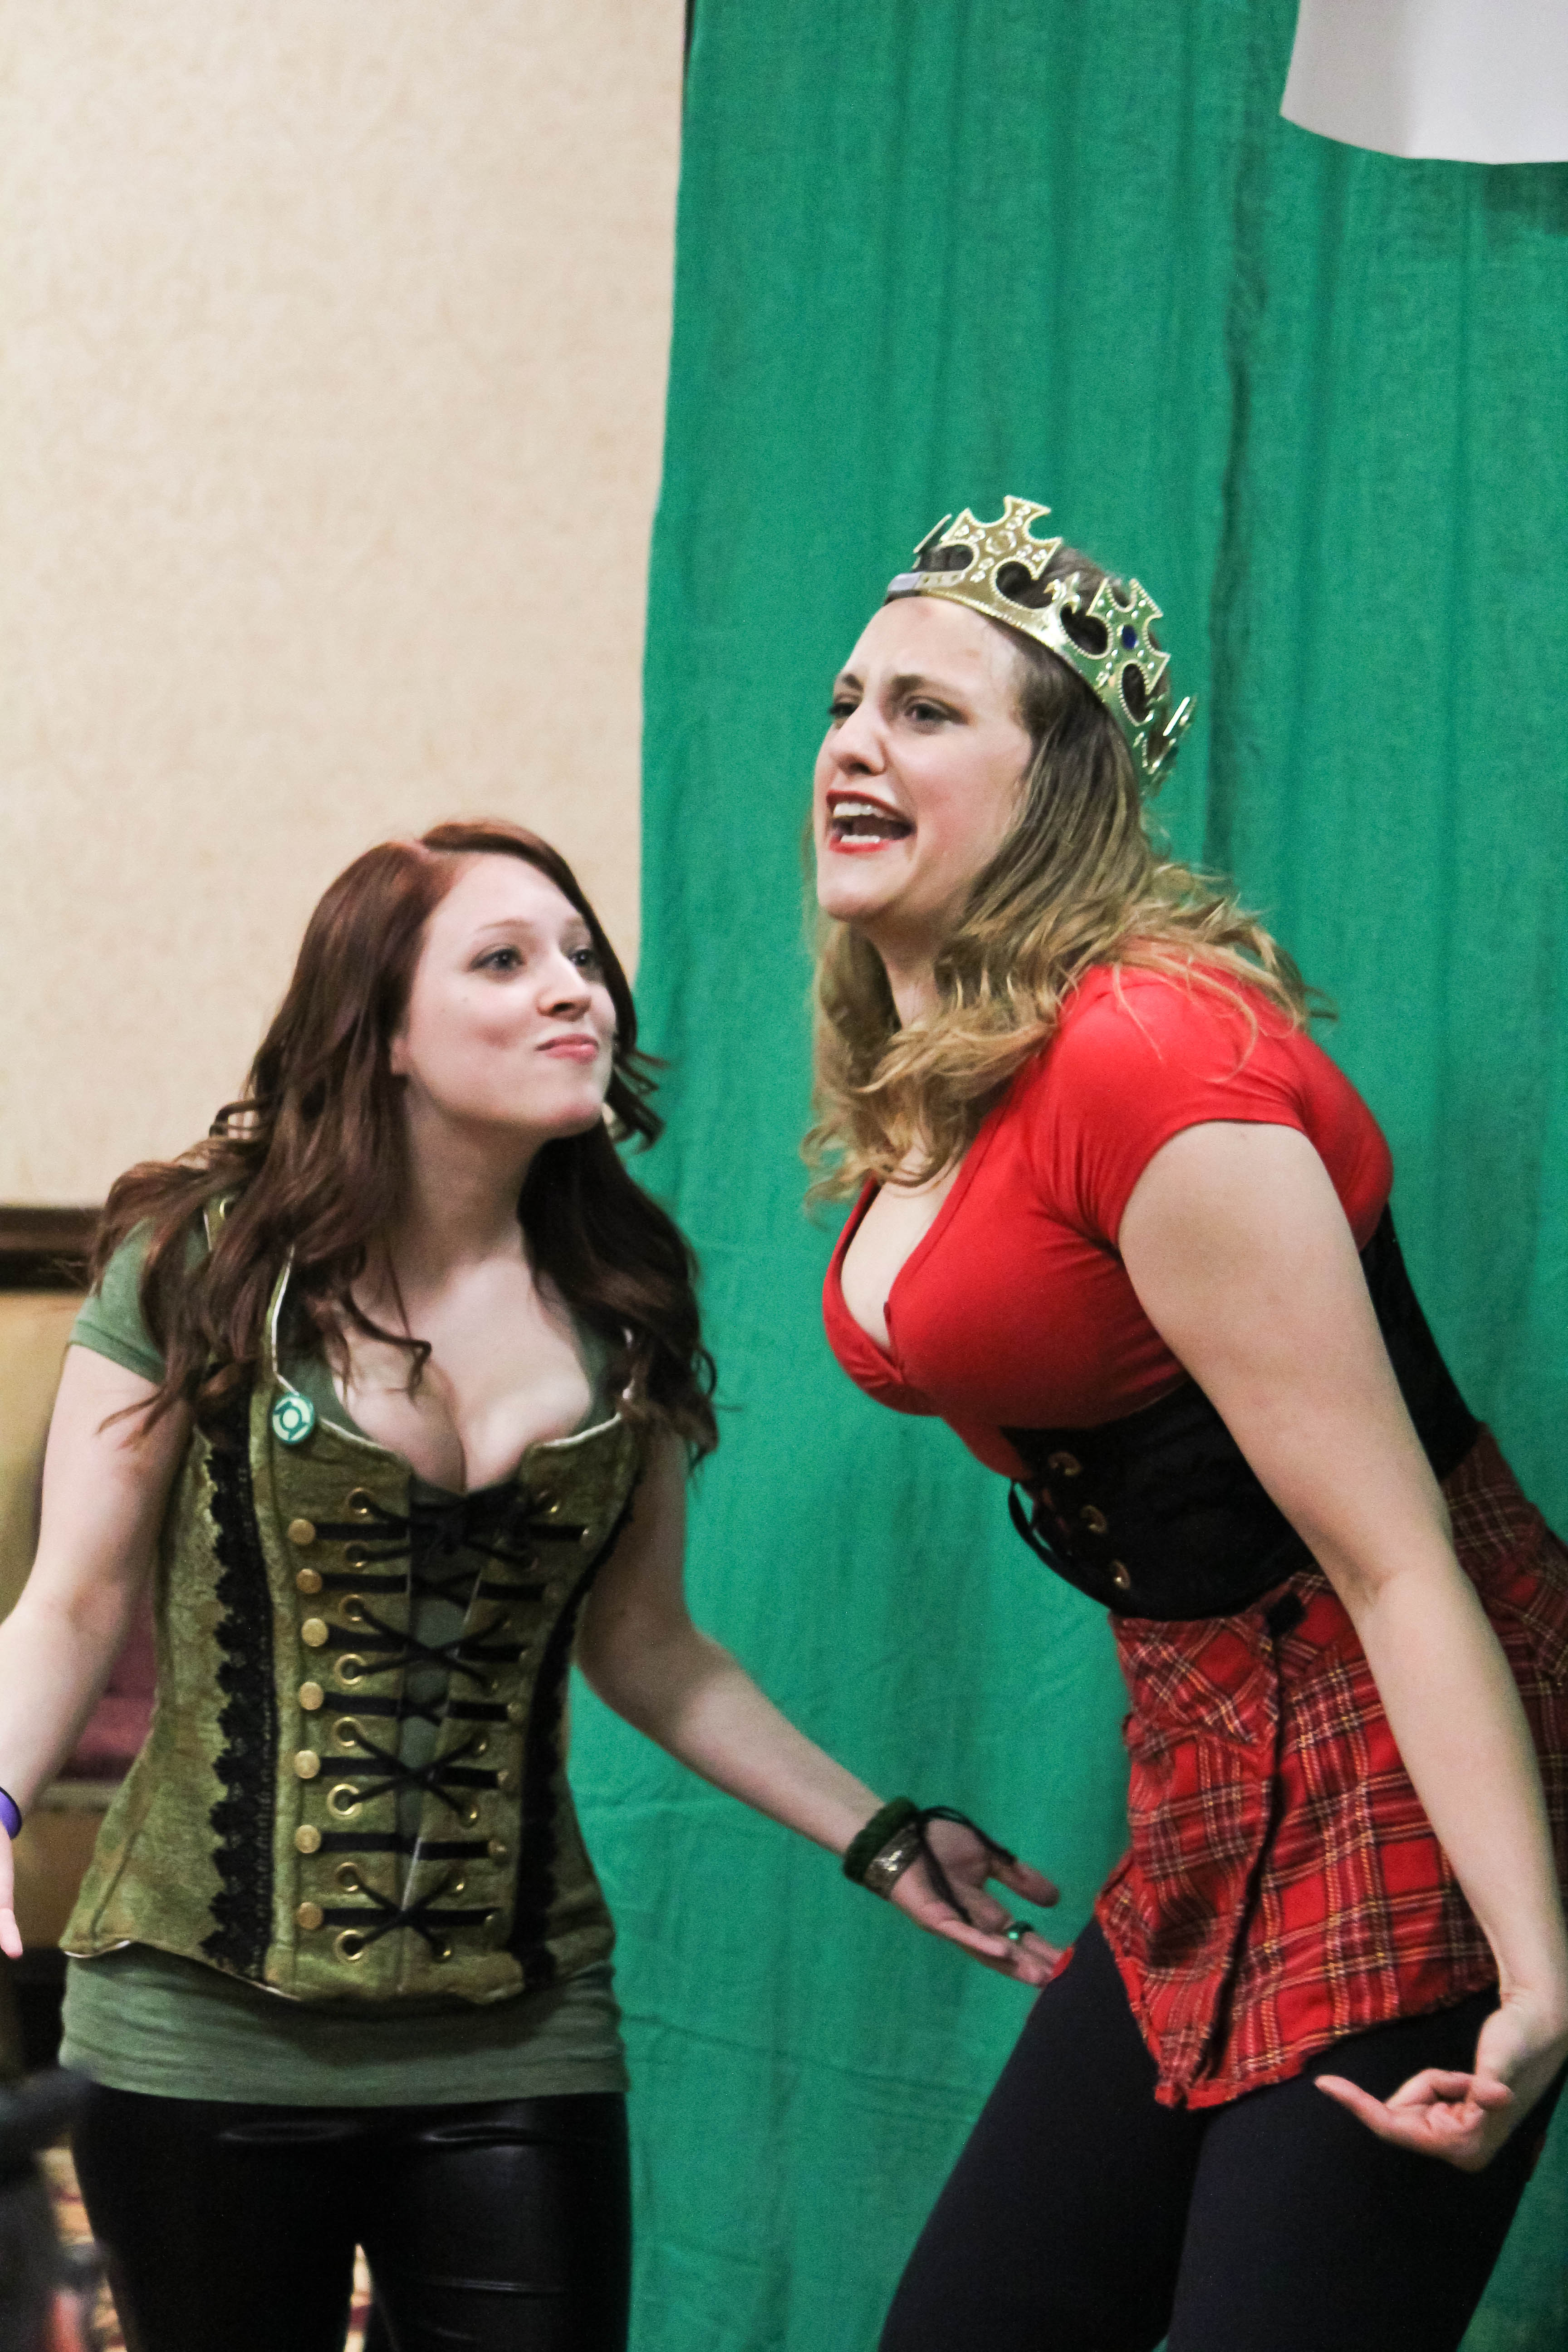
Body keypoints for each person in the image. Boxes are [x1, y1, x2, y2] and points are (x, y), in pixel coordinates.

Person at [0, 819, 1046, 2352]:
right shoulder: (201, 1261)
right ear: (384, 1031)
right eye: (504, 961)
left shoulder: (624, 1304)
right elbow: (72, 1605)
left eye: (582, 958)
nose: (576, 991)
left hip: (519, 2030)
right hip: (197, 2029)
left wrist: (881, 1837)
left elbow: (653, 1649)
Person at [810, 500, 1568, 2352]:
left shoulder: (1149, 1056)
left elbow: (1397, 1562)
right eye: (846, 704)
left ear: (1054, 789)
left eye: (926, 711)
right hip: (1212, 1756)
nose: (854, 742)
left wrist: (1540, 1981)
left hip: (1408, 1744)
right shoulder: (948, 1077)